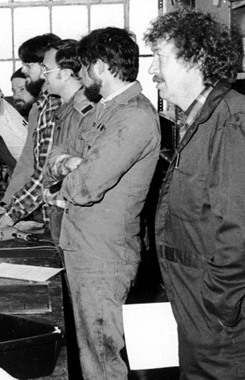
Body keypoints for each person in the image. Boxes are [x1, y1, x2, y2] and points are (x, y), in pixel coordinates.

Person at [145, 8, 245, 379]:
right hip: (194, 311)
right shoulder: (199, 119)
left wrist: (217, 307)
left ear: (196, 59)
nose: (152, 70)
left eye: (160, 58)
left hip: (219, 326)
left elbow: (239, 235)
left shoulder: (232, 122)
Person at [56, 28, 160, 379]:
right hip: (86, 248)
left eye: (85, 67)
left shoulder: (134, 117)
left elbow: (85, 185)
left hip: (103, 258)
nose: (82, 76)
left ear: (101, 66)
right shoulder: (109, 109)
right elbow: (67, 160)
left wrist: (70, 169)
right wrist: (70, 165)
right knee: (92, 355)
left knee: (101, 361)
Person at [0, 33, 61, 226]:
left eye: (28, 65)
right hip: (46, 213)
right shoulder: (41, 105)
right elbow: (28, 161)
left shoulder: (54, 106)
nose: (23, 71)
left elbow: (43, 173)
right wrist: (7, 203)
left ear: (45, 66)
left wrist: (11, 213)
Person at [41, 39, 95, 248]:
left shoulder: (83, 113)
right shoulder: (66, 111)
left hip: (76, 224)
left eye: (46, 69)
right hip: (64, 218)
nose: (43, 75)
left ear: (64, 73)